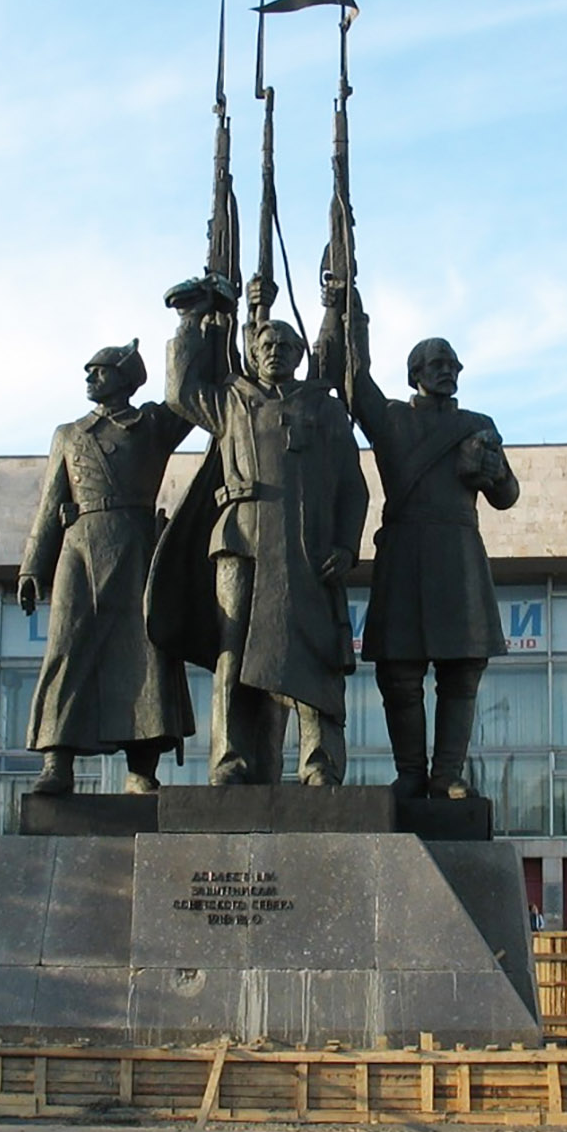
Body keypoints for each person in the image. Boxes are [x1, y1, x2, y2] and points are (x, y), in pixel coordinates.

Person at [153, 275, 368, 786]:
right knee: (235, 651)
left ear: (299, 355)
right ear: (252, 350)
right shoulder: (231, 400)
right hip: (241, 542)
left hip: (307, 545)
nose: (274, 351)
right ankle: (230, 760)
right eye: (265, 344)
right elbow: (180, 391)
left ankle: (320, 764)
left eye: (284, 346)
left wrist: (344, 544)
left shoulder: (325, 407)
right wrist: (191, 321)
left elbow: (353, 486)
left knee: (315, 652)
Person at [321, 290, 519, 798]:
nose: (445, 370)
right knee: (400, 674)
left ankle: (448, 774)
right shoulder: (390, 418)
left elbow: (507, 496)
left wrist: (493, 472)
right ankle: (411, 773)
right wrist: (344, 308)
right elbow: (348, 377)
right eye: (434, 363)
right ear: (414, 373)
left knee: (461, 672)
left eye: (451, 363)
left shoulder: (477, 425)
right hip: (405, 554)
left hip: (457, 556)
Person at [18, 339, 193, 794]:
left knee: (144, 654)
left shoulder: (151, 424)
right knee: (67, 649)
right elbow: (50, 503)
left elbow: (187, 389)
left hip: (137, 547)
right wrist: (32, 566)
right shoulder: (69, 434)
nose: (90, 378)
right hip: (81, 550)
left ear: (126, 376)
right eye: (89, 371)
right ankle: (57, 764)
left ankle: (141, 770)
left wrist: (194, 323)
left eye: (99, 370)